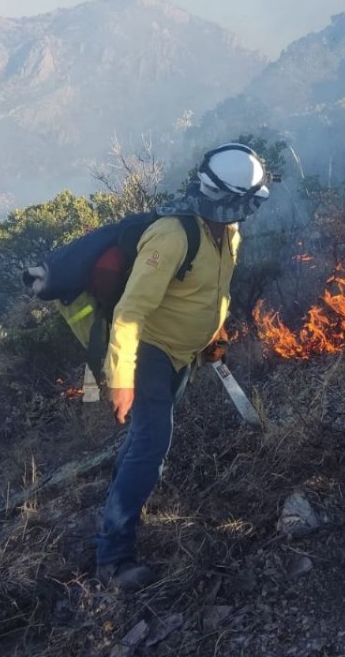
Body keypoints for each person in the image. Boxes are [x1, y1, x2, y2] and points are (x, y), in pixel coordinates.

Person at [91, 143, 269, 591]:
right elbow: (130, 311)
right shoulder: (171, 236)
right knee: (152, 444)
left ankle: (115, 511)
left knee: (142, 442)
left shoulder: (227, 233)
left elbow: (216, 292)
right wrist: (121, 377)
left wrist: (214, 337)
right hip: (148, 352)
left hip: (182, 356)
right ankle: (113, 560)